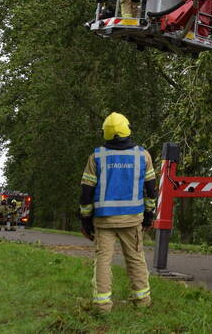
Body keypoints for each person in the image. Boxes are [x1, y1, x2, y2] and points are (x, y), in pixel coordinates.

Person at [79, 112, 156, 312]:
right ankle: (142, 302)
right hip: (132, 219)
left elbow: (86, 192)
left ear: (106, 132)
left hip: (103, 221)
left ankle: (102, 306)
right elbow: (151, 189)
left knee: (103, 261)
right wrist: (149, 214)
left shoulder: (96, 156)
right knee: (136, 259)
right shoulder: (142, 155)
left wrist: (85, 220)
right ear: (127, 129)